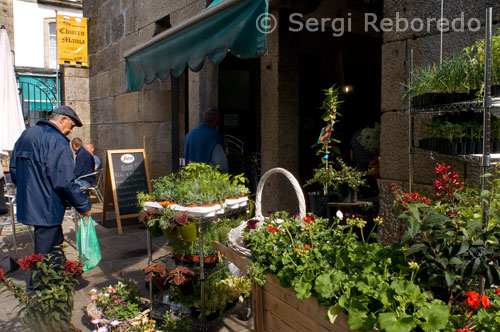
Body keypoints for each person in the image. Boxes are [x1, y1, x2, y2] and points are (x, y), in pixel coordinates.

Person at [9, 105, 91, 292]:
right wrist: (83, 205)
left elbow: (14, 170)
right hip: (47, 204)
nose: (70, 131)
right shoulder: (57, 140)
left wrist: (29, 190)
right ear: (61, 120)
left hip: (30, 202)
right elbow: (64, 181)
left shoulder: (26, 135)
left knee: (53, 241)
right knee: (44, 250)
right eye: (70, 126)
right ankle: (37, 292)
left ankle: (59, 277)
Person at [184, 107, 228, 172]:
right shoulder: (214, 136)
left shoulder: (189, 135)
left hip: (192, 176)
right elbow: (222, 166)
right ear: (216, 120)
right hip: (208, 177)